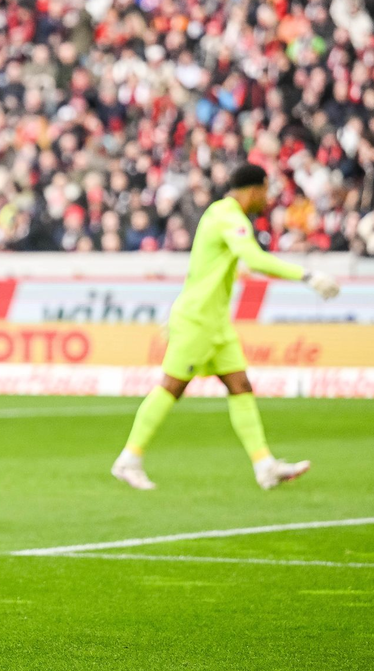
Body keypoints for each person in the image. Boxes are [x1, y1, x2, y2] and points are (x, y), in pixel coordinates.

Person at [111, 164, 341, 491]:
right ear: (253, 190)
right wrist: (307, 275)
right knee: (171, 386)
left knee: (240, 385)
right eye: (265, 190)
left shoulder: (223, 214)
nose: (267, 197)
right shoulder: (227, 216)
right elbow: (255, 259)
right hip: (198, 320)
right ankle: (129, 459)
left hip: (215, 321)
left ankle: (264, 465)